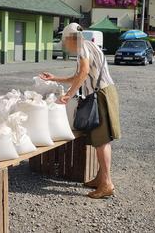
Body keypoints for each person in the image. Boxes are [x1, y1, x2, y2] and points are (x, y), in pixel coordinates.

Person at [40, 23, 121, 199]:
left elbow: (83, 72)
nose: (65, 46)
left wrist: (68, 95)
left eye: (65, 42)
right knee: (103, 140)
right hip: (105, 92)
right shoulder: (90, 45)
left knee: (101, 140)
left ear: (71, 39)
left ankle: (106, 184)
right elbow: (78, 76)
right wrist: (55, 78)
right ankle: (101, 178)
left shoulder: (82, 48)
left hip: (100, 95)